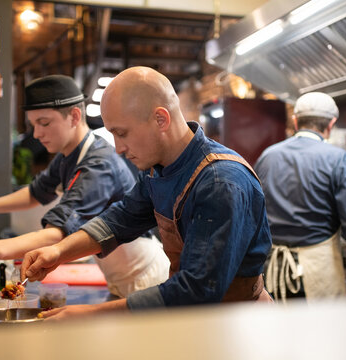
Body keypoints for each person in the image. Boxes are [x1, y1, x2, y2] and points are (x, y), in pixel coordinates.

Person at [21, 66, 273, 320]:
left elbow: (197, 290)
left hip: (237, 322)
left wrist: (91, 314)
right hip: (196, 318)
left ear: (160, 119)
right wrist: (58, 252)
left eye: (122, 133)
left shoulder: (221, 182)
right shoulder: (158, 168)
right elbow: (120, 219)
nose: (118, 148)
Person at [0, 74, 170, 298]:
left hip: (143, 275)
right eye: (33, 125)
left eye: (44, 123)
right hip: (117, 274)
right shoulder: (67, 156)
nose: (36, 134)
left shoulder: (98, 163)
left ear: (74, 116)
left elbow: (59, 233)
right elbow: (35, 193)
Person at [253, 92, 346, 302]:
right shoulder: (338, 159)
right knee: (322, 333)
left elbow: (252, 214)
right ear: (331, 124)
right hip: (318, 269)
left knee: (277, 332)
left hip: (272, 269)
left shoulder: (267, 156)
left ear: (295, 121)